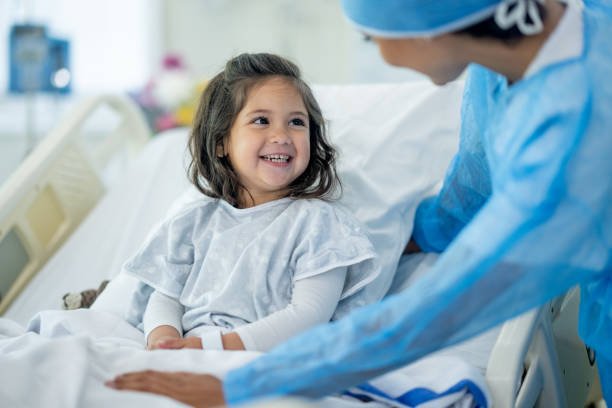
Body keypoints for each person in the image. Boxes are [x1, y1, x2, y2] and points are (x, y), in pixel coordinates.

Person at [107, 0, 612, 406]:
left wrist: (242, 383)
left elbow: (446, 306)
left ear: (428, 30)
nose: (380, 52)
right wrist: (423, 232)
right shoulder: (502, 61)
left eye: (370, 36)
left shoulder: (577, 126)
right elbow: (478, 178)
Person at [120, 52, 379, 353]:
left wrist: (210, 347)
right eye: (261, 121)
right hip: (187, 352)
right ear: (221, 142)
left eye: (296, 122)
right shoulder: (193, 222)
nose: (281, 135)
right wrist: (163, 340)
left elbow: (309, 316)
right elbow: (165, 297)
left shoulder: (320, 225)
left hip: (266, 360)